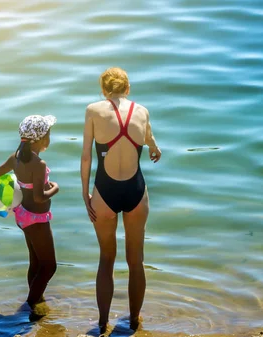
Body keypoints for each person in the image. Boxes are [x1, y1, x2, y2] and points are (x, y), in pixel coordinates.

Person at [80, 67, 161, 332]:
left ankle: (102, 325)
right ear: (128, 88)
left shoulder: (93, 110)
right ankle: (135, 322)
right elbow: (148, 137)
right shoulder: (142, 110)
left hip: (104, 192)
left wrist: (85, 192)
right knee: (136, 260)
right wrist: (154, 147)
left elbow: (86, 156)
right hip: (136, 191)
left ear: (104, 90)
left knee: (106, 258)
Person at [0, 115, 59, 317]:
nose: (50, 138)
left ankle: (37, 298)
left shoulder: (15, 159)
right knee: (49, 266)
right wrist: (55, 188)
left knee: (36, 263)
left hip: (23, 216)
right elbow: (39, 197)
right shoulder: (39, 164)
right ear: (42, 139)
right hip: (37, 219)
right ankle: (30, 304)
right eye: (48, 134)